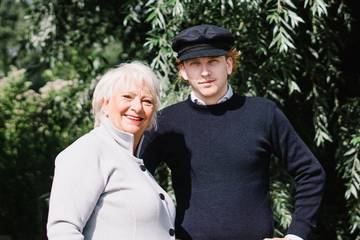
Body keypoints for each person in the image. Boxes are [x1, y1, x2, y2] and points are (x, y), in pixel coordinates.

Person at [141, 24, 326, 240]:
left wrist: (296, 235)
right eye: (194, 64)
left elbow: (310, 173)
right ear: (183, 71)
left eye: (213, 62)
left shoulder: (263, 113)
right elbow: (132, 180)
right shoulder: (165, 122)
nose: (205, 72)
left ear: (228, 64)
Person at [47, 61, 176, 240]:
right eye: (127, 97)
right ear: (105, 104)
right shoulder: (89, 150)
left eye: (147, 101)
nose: (137, 107)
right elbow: (63, 230)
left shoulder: (131, 158)